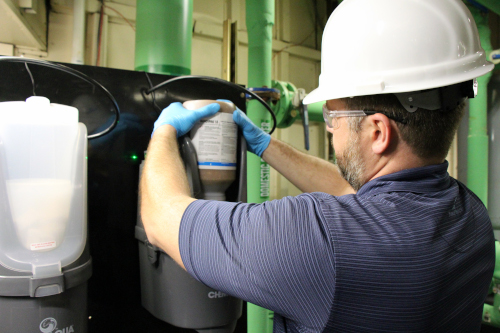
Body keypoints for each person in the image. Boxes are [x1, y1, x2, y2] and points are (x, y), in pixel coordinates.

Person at [140, 0, 496, 331]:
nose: (328, 125)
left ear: (377, 132)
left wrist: (164, 132)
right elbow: (354, 197)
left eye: (332, 113)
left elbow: (160, 219)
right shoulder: (472, 218)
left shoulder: (315, 241)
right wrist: (266, 146)